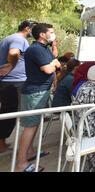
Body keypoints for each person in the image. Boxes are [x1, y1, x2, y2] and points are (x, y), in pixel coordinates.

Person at [15, 23, 61, 172]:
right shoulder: (35, 49)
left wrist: (54, 53)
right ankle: (21, 163)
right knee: (30, 126)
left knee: (35, 124)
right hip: (35, 93)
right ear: (42, 34)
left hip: (41, 91)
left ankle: (30, 152)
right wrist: (53, 64)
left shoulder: (43, 48)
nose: (53, 34)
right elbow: (48, 68)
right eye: (51, 32)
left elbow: (54, 60)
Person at [0, 20, 36, 154]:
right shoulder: (19, 39)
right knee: (10, 113)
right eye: (34, 29)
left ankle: (2, 142)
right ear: (27, 28)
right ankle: (2, 144)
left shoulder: (9, 37)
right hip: (14, 82)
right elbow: (14, 52)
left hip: (8, 81)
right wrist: (11, 65)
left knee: (7, 111)